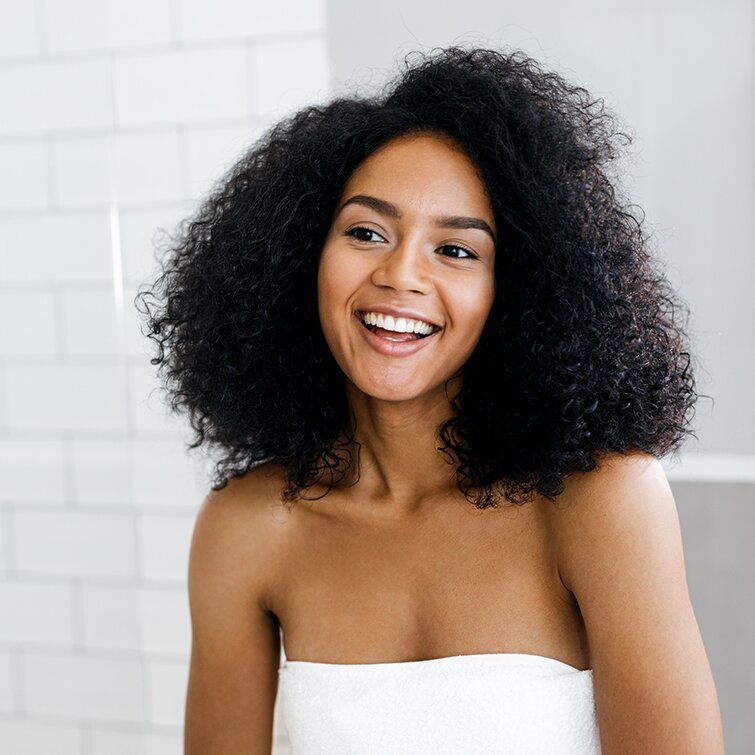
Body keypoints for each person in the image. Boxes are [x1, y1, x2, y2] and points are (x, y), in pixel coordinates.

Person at [136, 46, 725, 754]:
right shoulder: (250, 528)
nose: (400, 275)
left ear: (517, 290)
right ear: (299, 259)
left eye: (456, 250)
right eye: (365, 232)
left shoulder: (598, 501)